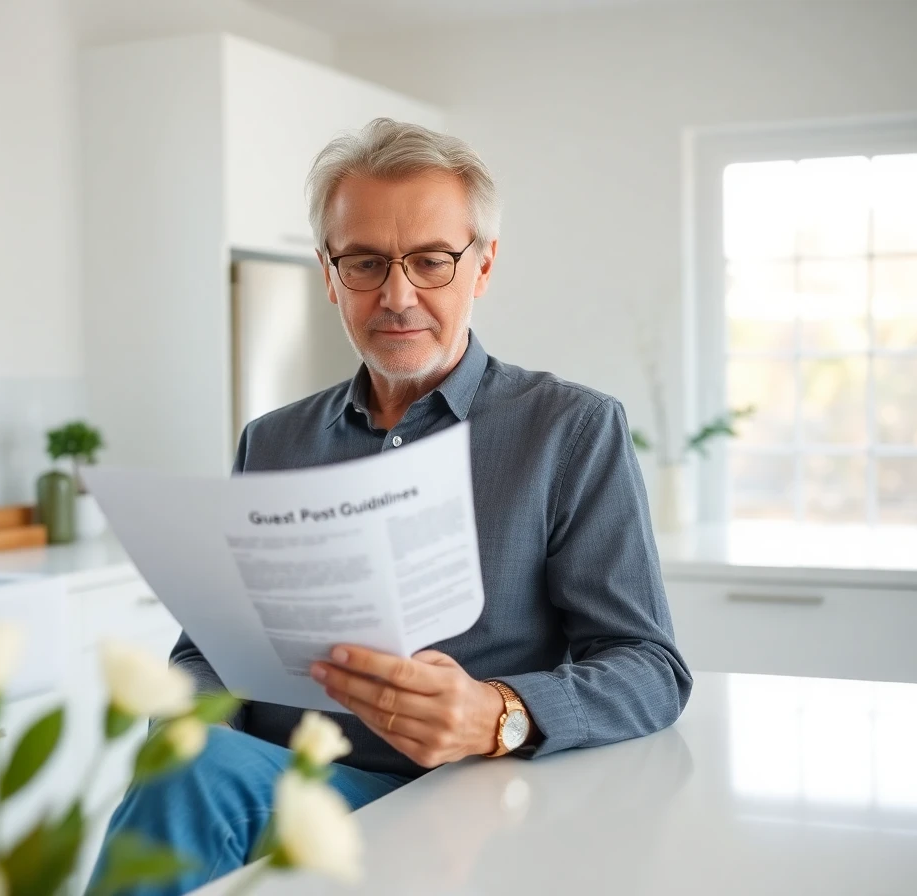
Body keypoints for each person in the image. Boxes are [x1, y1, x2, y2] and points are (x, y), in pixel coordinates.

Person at [89, 117, 691, 895]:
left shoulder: (570, 430)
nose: (397, 296)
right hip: (281, 791)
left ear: (483, 267)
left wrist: (496, 711)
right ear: (329, 273)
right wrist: (187, 735)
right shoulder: (270, 441)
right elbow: (205, 653)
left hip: (470, 800)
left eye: (432, 261)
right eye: (367, 262)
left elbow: (650, 669)